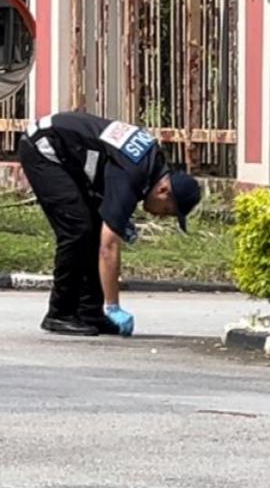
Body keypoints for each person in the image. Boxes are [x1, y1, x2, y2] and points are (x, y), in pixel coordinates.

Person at [18, 112, 201, 337]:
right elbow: (109, 246)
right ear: (163, 191)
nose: (161, 217)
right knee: (78, 230)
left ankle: (89, 313)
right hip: (44, 148)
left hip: (70, 154)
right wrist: (113, 305)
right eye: (167, 211)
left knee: (93, 228)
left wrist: (120, 216)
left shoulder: (151, 165)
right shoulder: (135, 173)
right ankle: (60, 313)